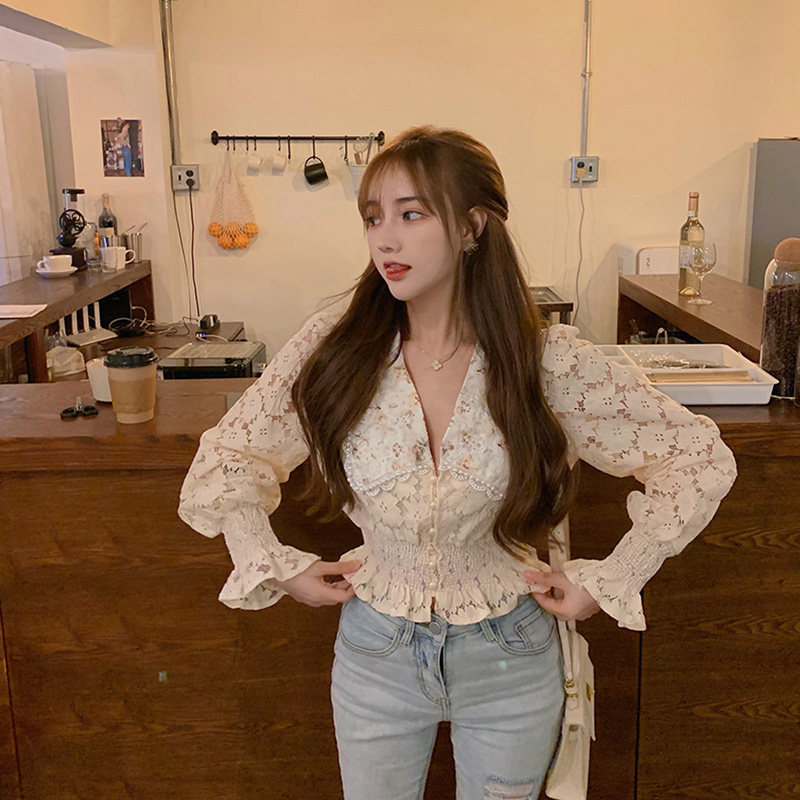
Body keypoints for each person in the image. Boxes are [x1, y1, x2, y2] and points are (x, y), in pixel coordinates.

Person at [178, 125, 737, 800]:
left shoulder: (546, 360)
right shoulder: (335, 349)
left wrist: (615, 578)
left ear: (472, 226)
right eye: (373, 218)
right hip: (375, 653)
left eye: (411, 214)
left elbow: (696, 456)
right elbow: (230, 456)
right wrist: (274, 563)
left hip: (510, 655)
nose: (385, 240)